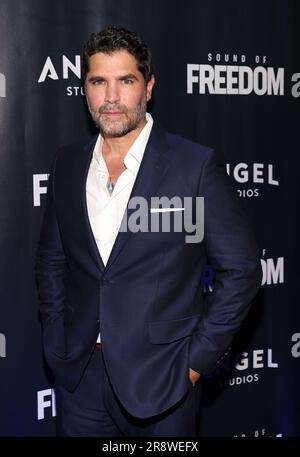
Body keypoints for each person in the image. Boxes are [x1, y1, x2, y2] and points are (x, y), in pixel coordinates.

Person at [35, 26, 261, 437]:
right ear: (85, 88)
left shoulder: (193, 167)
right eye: (98, 82)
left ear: (148, 87)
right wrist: (57, 336)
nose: (112, 97)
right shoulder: (67, 164)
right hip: (80, 378)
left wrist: (195, 364)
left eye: (126, 81)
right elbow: (52, 260)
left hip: (163, 382)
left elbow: (242, 270)